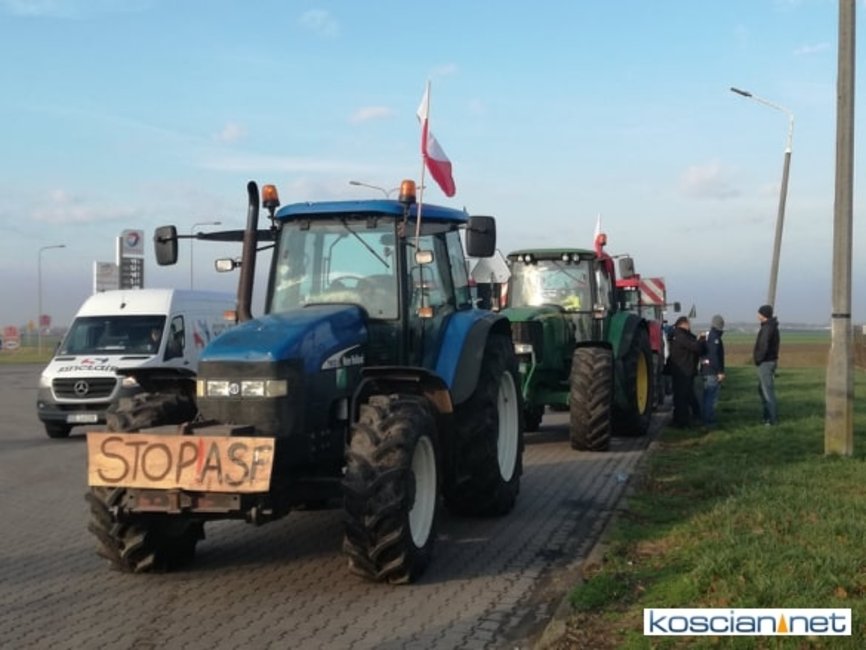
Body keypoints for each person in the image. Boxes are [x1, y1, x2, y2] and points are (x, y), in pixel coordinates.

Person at [668, 316, 705, 427]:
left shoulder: (677, 335)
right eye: (689, 324)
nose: (690, 326)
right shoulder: (681, 336)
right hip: (684, 370)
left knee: (684, 395)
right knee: (682, 397)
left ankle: (684, 418)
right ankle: (682, 421)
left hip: (681, 370)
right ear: (684, 324)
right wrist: (700, 340)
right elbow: (695, 347)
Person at [753, 304, 780, 425]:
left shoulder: (767, 328)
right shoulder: (770, 326)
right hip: (769, 361)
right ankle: (766, 417)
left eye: (759, 313)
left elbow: (763, 346)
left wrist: (758, 359)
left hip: (765, 362)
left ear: (763, 315)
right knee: (763, 390)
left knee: (767, 391)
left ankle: (771, 419)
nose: (757, 315)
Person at [699, 314, 726, 428]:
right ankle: (709, 421)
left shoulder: (707, 336)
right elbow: (714, 356)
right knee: (711, 398)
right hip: (712, 371)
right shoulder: (715, 338)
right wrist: (720, 372)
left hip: (706, 370)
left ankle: (705, 419)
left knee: (706, 397)